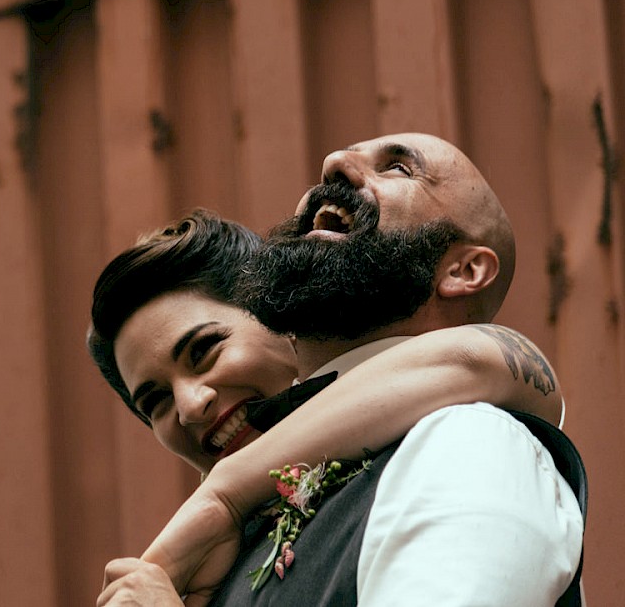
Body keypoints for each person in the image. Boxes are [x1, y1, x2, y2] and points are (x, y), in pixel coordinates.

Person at [93, 134, 585, 606]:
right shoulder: (227, 547)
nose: (191, 405)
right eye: (154, 400)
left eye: (398, 167)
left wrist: (224, 496)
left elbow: (481, 360)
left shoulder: (466, 441)